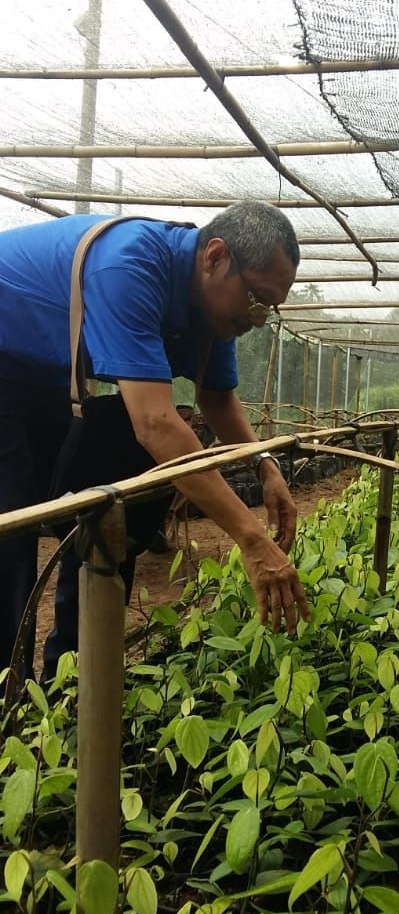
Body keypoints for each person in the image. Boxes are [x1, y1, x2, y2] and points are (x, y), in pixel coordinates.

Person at [0, 199, 309, 685]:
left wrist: (266, 467)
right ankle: (8, 698)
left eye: (270, 308)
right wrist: (251, 540)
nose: (258, 319)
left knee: (103, 516)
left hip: (46, 378)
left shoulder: (214, 310)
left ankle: (73, 683)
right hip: (6, 360)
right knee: (11, 525)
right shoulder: (130, 264)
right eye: (256, 301)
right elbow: (155, 424)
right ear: (214, 257)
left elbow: (217, 400)